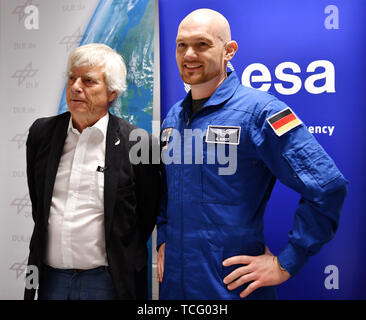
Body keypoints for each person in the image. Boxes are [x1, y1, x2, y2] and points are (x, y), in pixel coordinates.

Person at [156, 9, 348, 300]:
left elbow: (327, 186)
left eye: (202, 44)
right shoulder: (173, 118)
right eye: (182, 44)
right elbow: (166, 189)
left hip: (230, 288)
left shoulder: (260, 112)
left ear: (229, 51)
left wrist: (287, 262)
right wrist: (165, 238)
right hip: (175, 287)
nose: (189, 54)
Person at [24, 43, 160, 300]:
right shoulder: (42, 134)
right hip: (50, 279)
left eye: (88, 81)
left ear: (112, 92)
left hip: (108, 282)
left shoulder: (140, 144)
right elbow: (38, 204)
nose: (76, 87)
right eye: (72, 78)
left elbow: (145, 216)